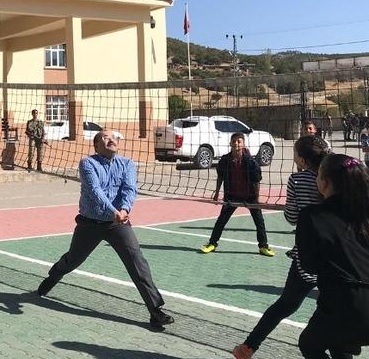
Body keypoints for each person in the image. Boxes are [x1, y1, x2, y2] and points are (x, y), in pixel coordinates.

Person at [36, 130, 174, 328]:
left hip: (117, 224)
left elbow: (129, 189)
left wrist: (124, 209)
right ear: (97, 145)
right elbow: (94, 191)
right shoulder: (87, 163)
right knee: (73, 259)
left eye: (114, 137)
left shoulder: (127, 164)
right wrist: (114, 211)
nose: (111, 140)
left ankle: (155, 311)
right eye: (105, 138)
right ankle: (53, 276)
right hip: (89, 223)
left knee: (137, 262)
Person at [232, 136, 329, 359]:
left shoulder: (297, 179)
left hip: (307, 255)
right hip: (340, 256)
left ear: (303, 160)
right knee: (333, 310)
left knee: (285, 305)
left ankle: (247, 348)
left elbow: (292, 217)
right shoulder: (342, 175)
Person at [296, 154, 369, 359]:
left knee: (309, 344)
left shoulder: (312, 216)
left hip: (345, 304)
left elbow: (309, 266)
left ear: (324, 182)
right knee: (337, 339)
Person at [200, 133, 275, 257]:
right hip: (232, 195)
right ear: (230, 143)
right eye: (234, 141)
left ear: (243, 144)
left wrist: (256, 199)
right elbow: (220, 177)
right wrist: (217, 193)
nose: (236, 143)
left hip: (250, 196)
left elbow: (256, 181)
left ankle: (263, 246)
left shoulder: (251, 162)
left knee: (259, 221)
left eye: (239, 141)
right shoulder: (225, 160)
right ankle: (212, 243)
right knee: (221, 220)